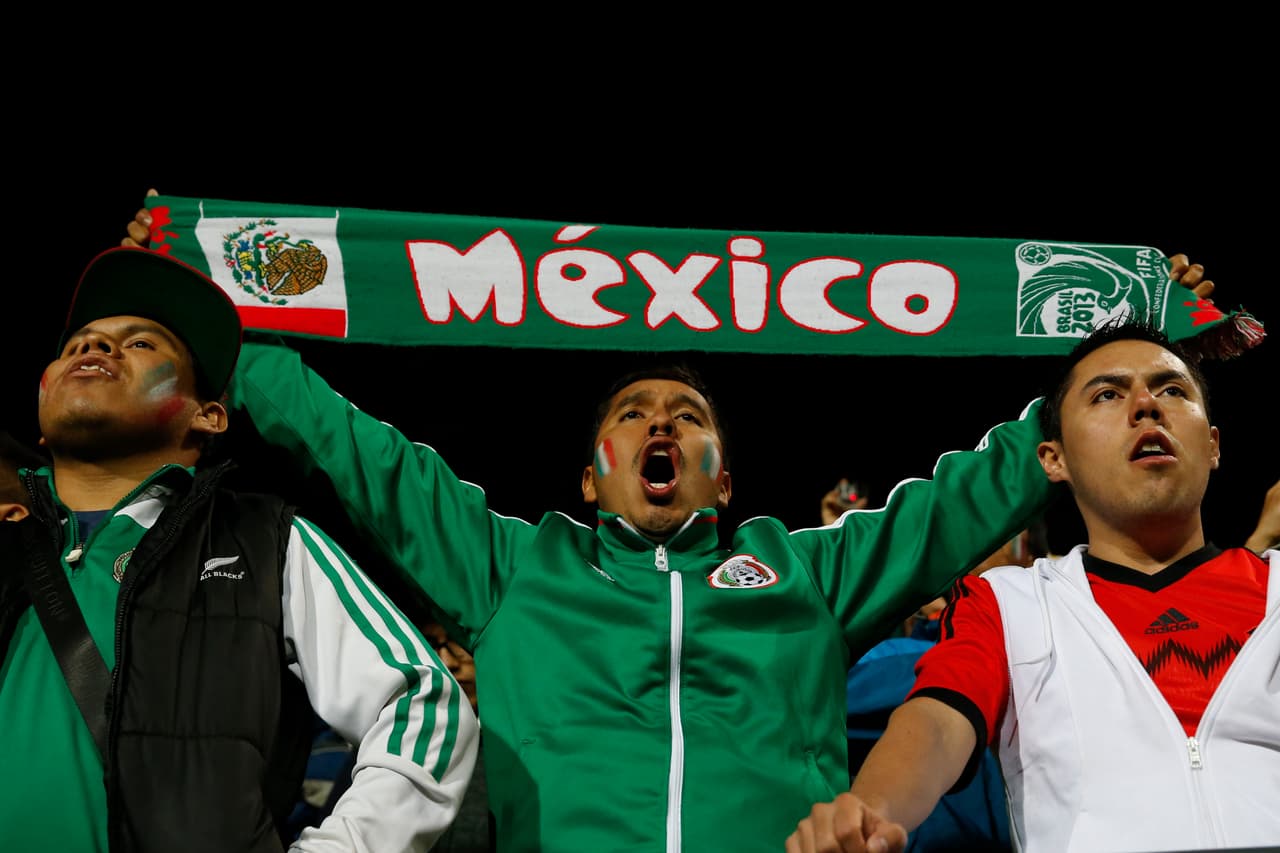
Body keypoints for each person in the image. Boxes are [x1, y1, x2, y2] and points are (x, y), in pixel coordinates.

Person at [122, 195, 1222, 852]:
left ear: (722, 475)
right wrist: (205, 309)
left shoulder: (807, 572)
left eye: (685, 417)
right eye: (632, 415)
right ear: (590, 477)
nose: (660, 424)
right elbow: (351, 444)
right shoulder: (510, 564)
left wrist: (1129, 356)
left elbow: (972, 491)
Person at [0, 247, 479, 852]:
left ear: (209, 415)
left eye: (141, 343)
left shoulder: (263, 539)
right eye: (77, 344)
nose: (94, 348)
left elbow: (424, 701)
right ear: (42, 416)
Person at [786, 318, 1277, 853]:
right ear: (1053, 458)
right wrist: (872, 813)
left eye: (1172, 389)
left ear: (1212, 446)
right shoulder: (1008, 603)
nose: (1146, 405)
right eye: (1108, 394)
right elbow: (936, 720)